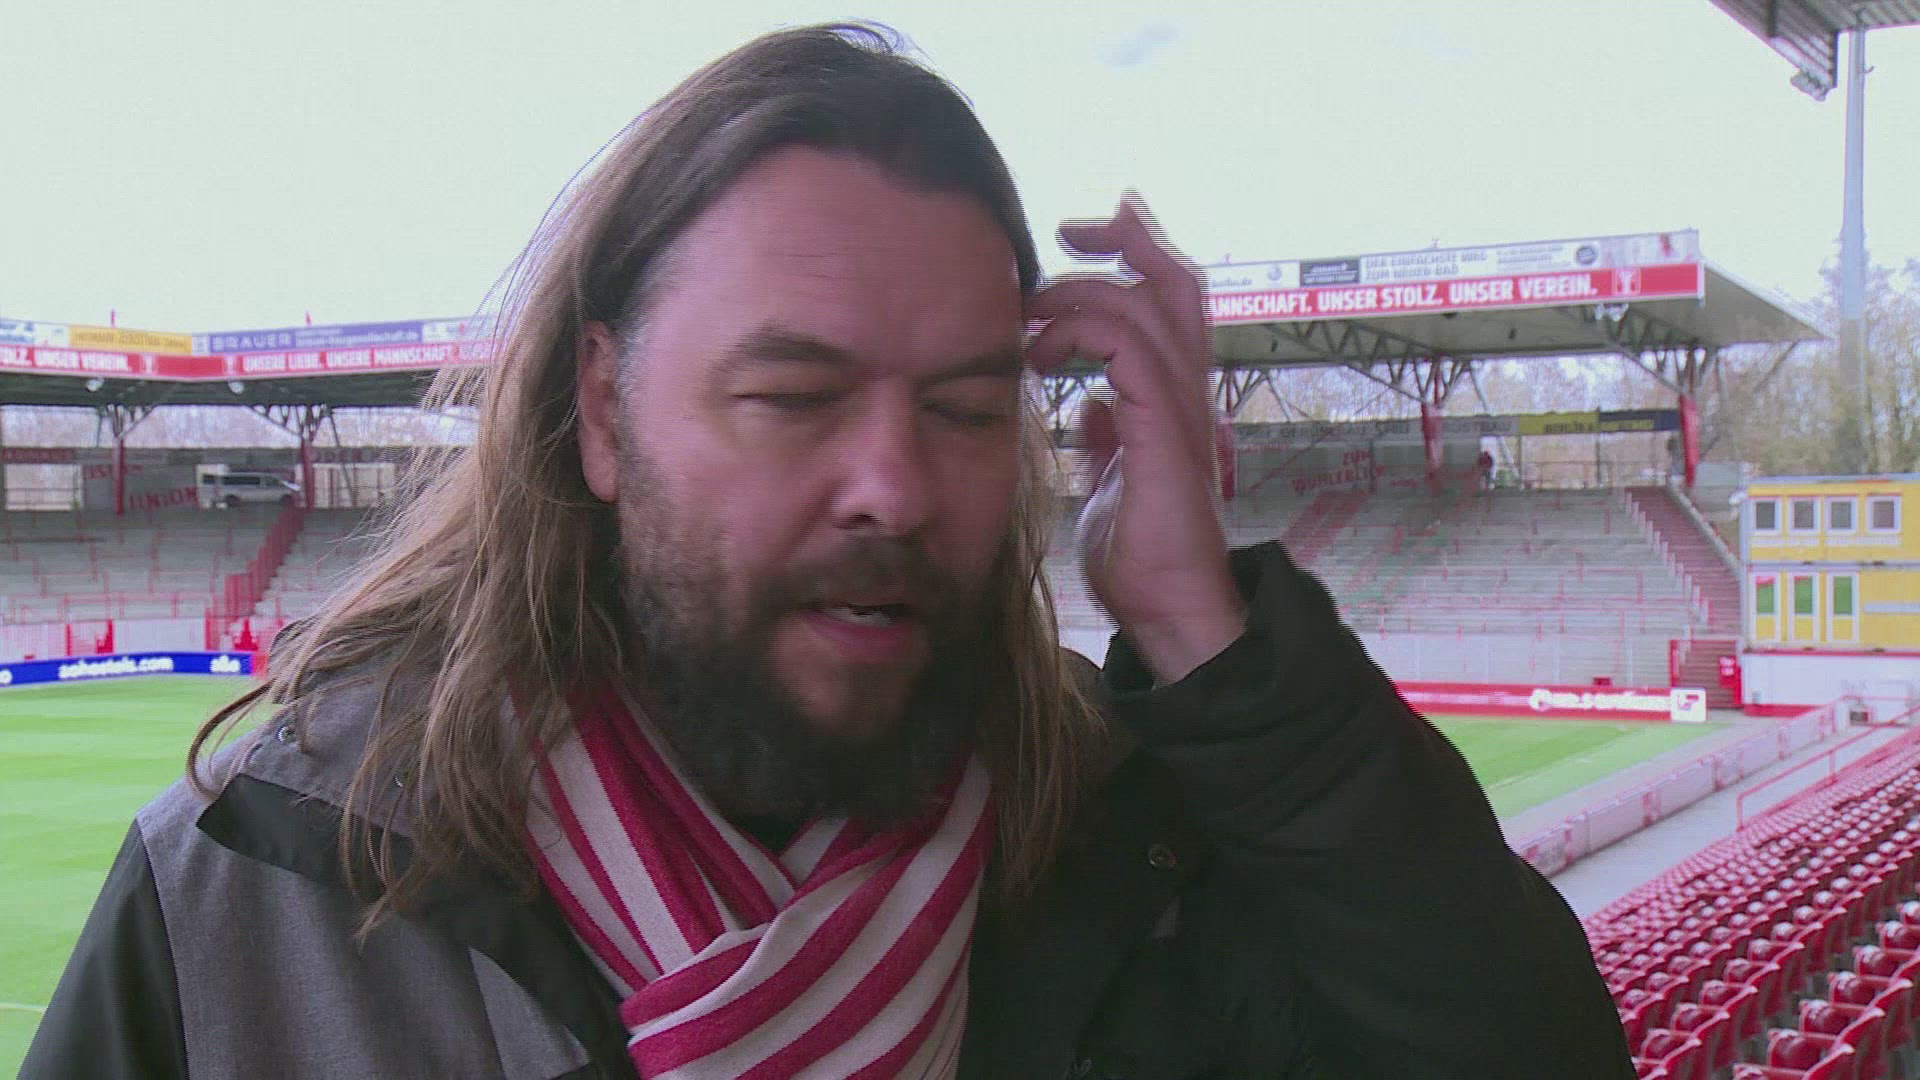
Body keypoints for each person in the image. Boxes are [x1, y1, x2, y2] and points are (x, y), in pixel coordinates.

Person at [22, 24, 1632, 1079]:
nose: (894, 486)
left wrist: (1208, 633)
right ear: (600, 413)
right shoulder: (252, 900)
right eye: (793, 397)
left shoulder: (1128, 851)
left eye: (966, 406)